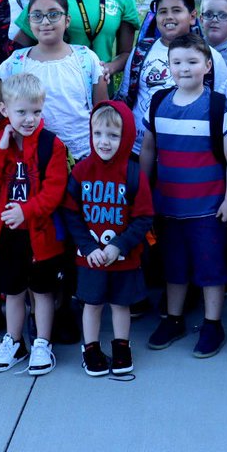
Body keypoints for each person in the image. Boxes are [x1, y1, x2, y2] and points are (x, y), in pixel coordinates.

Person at [139, 33, 227, 358]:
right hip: (168, 207)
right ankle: (174, 319)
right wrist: (142, 191)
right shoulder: (158, 102)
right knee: (174, 268)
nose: (184, 68)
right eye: (177, 62)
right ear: (168, 66)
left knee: (210, 269)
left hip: (208, 209)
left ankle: (213, 323)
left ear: (207, 65)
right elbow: (148, 148)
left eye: (192, 61)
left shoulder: (216, 106)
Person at [0, 73, 70, 376]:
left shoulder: (51, 145)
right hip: (7, 236)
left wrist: (26, 212)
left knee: (42, 292)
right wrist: (1, 147)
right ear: (5, 110)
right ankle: (14, 341)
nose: (30, 119)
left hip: (40, 234)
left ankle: (42, 342)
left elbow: (54, 192)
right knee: (13, 291)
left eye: (36, 111)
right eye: (22, 112)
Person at [62, 101, 155, 377]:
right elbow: (70, 212)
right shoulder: (81, 170)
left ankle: (122, 347)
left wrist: (119, 245)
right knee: (91, 305)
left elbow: (144, 217)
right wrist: (88, 247)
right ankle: (90, 349)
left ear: (126, 137)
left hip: (123, 258)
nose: (104, 142)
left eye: (113, 136)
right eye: (98, 134)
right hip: (90, 258)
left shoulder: (133, 173)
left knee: (120, 305)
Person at [118, 0, 227, 154]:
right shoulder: (140, 52)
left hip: (190, 151)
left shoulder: (211, 56)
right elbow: (126, 97)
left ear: (193, 16)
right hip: (138, 150)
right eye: (163, 12)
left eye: (177, 10)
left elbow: (223, 105)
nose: (169, 17)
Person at [0, 0, 109, 159]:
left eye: (54, 14)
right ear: (29, 21)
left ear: (67, 20)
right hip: (33, 160)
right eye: (37, 16)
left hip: (83, 157)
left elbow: (103, 111)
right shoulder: (15, 63)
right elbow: (5, 115)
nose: (45, 21)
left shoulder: (86, 58)